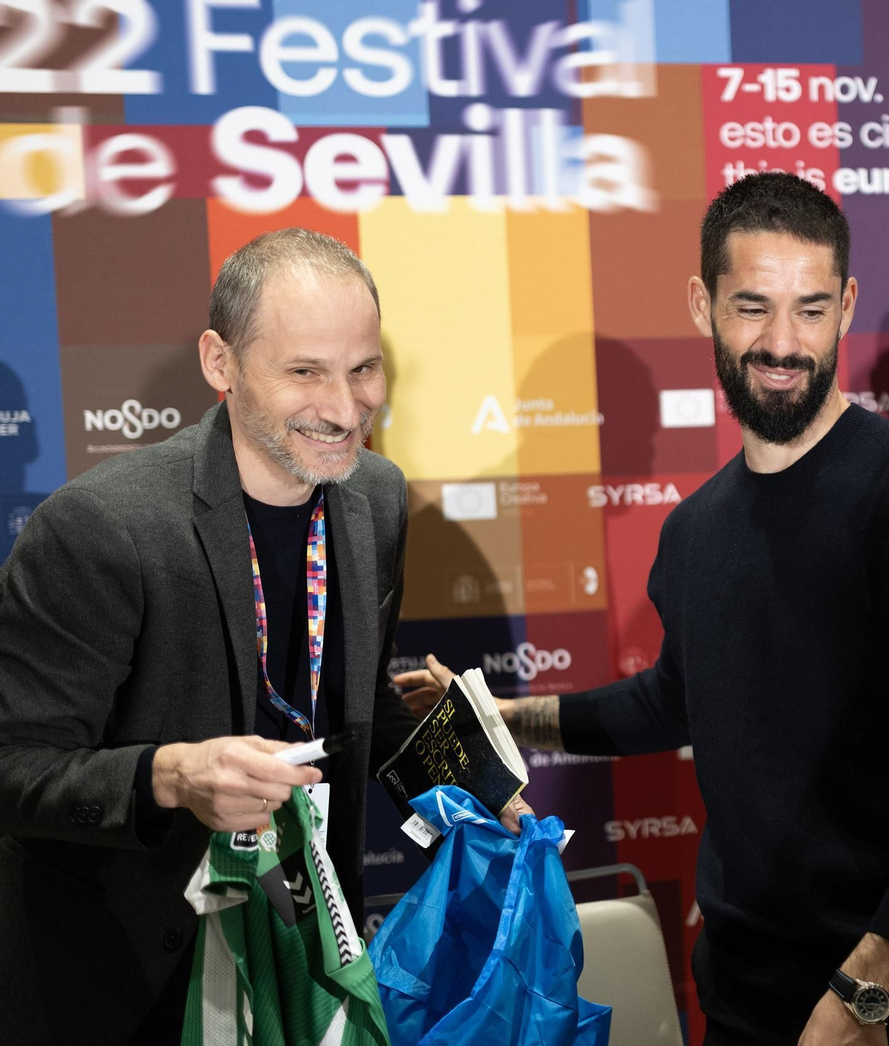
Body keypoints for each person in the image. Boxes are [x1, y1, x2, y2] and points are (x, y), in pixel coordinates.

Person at [403, 172, 889, 1044]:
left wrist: (865, 994)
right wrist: (504, 717)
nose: (783, 342)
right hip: (746, 997)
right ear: (702, 306)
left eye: (811, 309)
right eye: (752, 307)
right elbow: (675, 698)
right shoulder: (695, 530)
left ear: (848, 306)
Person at [0, 228, 530, 1045]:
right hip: (132, 974)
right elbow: (15, 764)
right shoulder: (104, 528)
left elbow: (351, 701)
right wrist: (169, 775)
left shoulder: (376, 496)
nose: (344, 407)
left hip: (309, 951)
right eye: (304, 371)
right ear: (221, 363)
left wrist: (473, 787)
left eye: (363, 369)